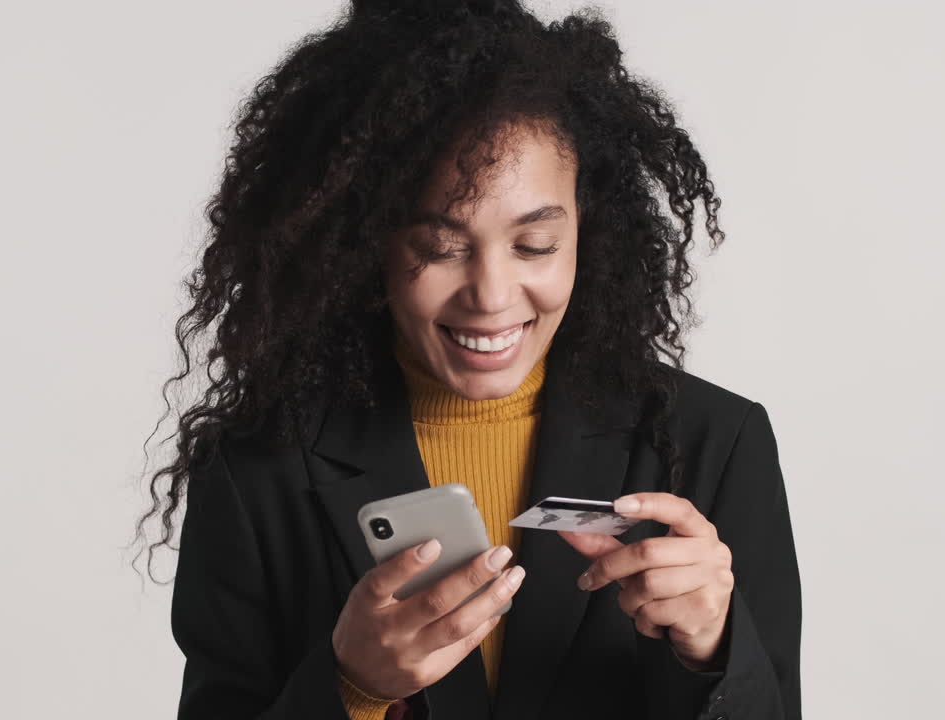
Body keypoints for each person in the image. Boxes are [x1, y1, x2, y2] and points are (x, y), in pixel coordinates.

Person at [133, 1, 802, 718]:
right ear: (367, 244)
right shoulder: (257, 470)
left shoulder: (713, 444)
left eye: (535, 245)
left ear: (588, 232)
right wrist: (354, 686)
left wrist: (712, 648)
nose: (490, 294)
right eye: (441, 246)